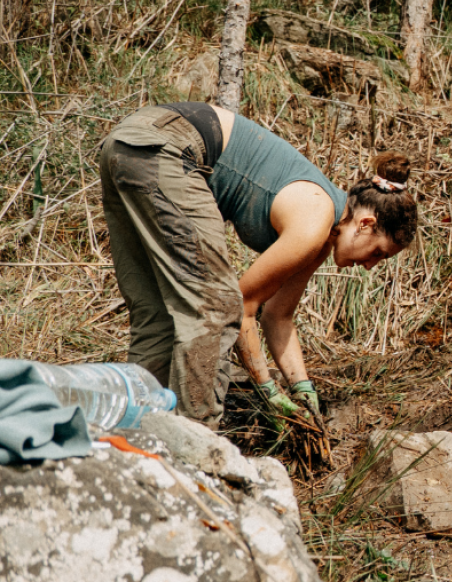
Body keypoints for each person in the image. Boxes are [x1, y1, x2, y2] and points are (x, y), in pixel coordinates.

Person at [98, 103, 416, 422]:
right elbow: (243, 305)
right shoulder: (314, 222)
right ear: (365, 225)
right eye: (378, 253)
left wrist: (302, 388)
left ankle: (136, 431)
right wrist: (268, 390)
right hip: (167, 147)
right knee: (216, 308)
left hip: (128, 145)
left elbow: (278, 316)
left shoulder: (320, 236)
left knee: (158, 313)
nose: (371, 266)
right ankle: (195, 445)